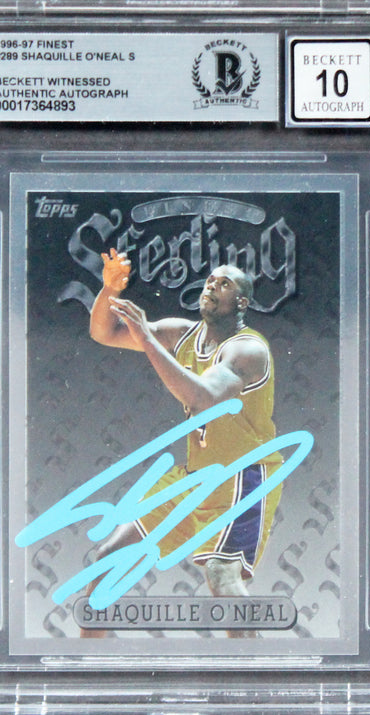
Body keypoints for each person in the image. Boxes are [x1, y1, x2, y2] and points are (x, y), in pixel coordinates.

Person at [83, 248, 282, 638]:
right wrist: (108, 291)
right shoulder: (182, 334)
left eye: (224, 284)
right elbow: (104, 332)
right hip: (196, 476)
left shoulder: (248, 350)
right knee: (108, 560)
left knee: (222, 577)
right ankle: (84, 664)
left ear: (241, 303)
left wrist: (146, 338)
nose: (212, 286)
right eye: (210, 280)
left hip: (242, 480)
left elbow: (203, 398)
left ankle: (255, 668)